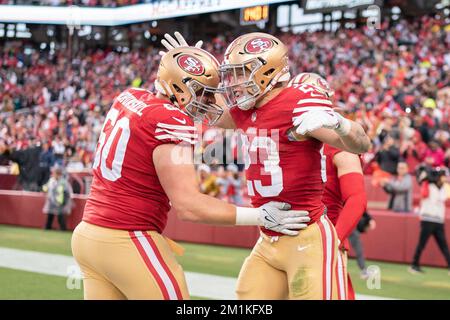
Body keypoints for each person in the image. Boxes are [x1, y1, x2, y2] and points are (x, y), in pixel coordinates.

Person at [71, 46, 310, 300]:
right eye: (202, 93)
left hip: (88, 236)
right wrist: (260, 215)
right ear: (179, 88)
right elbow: (188, 206)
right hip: (127, 238)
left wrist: (188, 62)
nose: (208, 101)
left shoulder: (131, 97)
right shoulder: (170, 120)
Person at [161, 32, 371, 299]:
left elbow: (361, 145)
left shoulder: (297, 101)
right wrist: (187, 70)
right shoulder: (246, 110)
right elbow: (205, 109)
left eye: (240, 73)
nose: (233, 83)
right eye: (232, 74)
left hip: (307, 236)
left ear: (267, 71)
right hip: (268, 238)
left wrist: (340, 123)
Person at [295, 72, 368, 299]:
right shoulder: (288, 140)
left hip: (323, 238)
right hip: (289, 241)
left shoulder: (338, 145)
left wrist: (333, 240)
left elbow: (357, 199)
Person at [409, 168, 450, 274]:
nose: (445, 178)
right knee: (422, 244)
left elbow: (446, 196)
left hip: (438, 221)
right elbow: (422, 176)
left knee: (443, 245)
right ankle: (414, 265)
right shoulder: (428, 184)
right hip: (427, 219)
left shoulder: (444, 188)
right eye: (443, 176)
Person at [42, 165, 72, 231]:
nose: (53, 175)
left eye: (54, 173)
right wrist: (44, 188)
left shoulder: (63, 182)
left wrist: (63, 201)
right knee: (50, 215)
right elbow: (46, 187)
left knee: (60, 216)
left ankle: (63, 228)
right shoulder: (51, 180)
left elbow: (66, 192)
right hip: (51, 201)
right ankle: (48, 227)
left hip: (60, 202)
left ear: (58, 174)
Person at [349, 211, 376, 279]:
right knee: (359, 251)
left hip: (348, 227)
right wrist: (370, 219)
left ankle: (364, 270)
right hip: (349, 228)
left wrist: (370, 219)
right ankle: (364, 271)